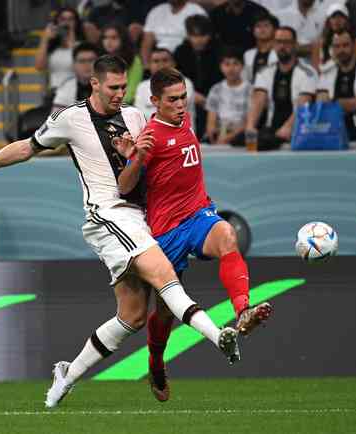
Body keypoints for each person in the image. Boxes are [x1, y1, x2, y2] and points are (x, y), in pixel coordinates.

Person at [0, 55, 240, 408]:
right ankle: (218, 336)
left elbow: (143, 167)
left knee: (133, 316)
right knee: (165, 276)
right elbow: (27, 148)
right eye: (113, 87)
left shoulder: (136, 116)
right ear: (95, 84)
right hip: (108, 214)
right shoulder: (69, 118)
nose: (120, 93)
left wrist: (132, 154)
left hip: (140, 217)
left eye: (124, 86)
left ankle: (67, 375)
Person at [117, 67, 272, 402]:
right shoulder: (151, 136)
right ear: (154, 101)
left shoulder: (186, 121)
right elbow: (124, 186)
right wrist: (137, 157)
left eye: (184, 96)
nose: (181, 104)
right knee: (165, 312)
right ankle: (156, 362)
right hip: (166, 231)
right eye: (172, 99)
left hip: (198, 215)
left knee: (228, 236)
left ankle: (243, 309)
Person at [245, 26, 318, 150]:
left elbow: (303, 105)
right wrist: (250, 126)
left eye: (286, 42)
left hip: (298, 129)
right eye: (278, 42)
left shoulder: (308, 73)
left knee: (264, 143)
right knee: (242, 139)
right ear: (273, 44)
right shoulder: (264, 72)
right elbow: (258, 100)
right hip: (271, 129)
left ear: (295, 45)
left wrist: (288, 127)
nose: (282, 46)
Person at [174, 14, 223, 134]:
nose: (199, 40)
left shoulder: (218, 50)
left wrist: (209, 98)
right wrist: (191, 93)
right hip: (189, 96)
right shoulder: (180, 51)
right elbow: (176, 77)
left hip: (215, 97)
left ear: (210, 35)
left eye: (203, 35)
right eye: (194, 36)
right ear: (188, 35)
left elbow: (221, 79)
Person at [134, 47, 197, 127]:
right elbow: (140, 117)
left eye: (165, 60)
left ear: (174, 63)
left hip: (182, 135)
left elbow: (176, 113)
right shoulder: (141, 87)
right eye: (156, 61)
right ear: (149, 65)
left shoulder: (186, 83)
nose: (160, 65)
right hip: (151, 136)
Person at [205, 46, 252, 145]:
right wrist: (214, 136)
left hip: (241, 137)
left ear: (242, 66)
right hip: (220, 135)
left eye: (235, 64)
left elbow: (249, 121)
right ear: (221, 67)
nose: (231, 68)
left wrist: (229, 137)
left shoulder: (251, 90)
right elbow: (211, 123)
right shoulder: (215, 89)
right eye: (227, 64)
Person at [140, 0, 207, 66]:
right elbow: (146, 42)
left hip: (184, 57)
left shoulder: (196, 11)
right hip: (159, 56)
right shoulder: (156, 11)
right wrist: (147, 66)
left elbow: (199, 40)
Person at [35, 7, 83, 97]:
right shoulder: (51, 47)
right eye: (63, 19)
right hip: (55, 92)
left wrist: (71, 35)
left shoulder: (81, 45)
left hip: (77, 92)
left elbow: (78, 66)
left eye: (70, 19)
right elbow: (39, 66)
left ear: (76, 22)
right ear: (57, 22)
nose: (66, 22)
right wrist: (45, 39)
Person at [311, 3, 356, 69]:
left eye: (341, 16)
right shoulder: (318, 44)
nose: (337, 20)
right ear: (328, 21)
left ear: (347, 20)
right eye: (333, 16)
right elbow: (315, 71)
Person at [100, 24, 143, 104]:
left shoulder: (134, 59)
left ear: (123, 39)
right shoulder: (99, 59)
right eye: (105, 37)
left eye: (114, 38)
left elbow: (131, 90)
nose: (108, 41)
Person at [52, 43, 99, 111]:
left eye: (91, 60)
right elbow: (55, 119)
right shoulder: (65, 88)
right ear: (74, 65)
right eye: (82, 61)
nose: (87, 65)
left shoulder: (109, 85)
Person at [242, 12, 279, 83]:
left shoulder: (281, 52)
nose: (262, 29)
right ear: (253, 31)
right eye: (258, 26)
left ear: (275, 30)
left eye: (266, 25)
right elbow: (246, 80)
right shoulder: (248, 54)